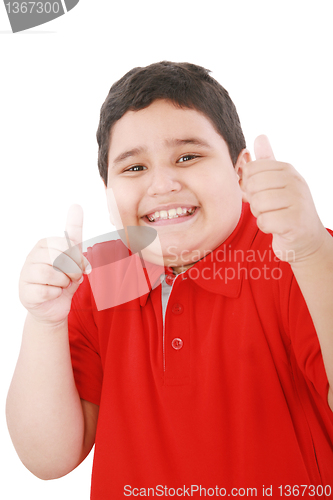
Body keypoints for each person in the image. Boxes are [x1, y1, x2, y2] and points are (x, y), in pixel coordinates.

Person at [6, 61, 333, 499]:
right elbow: (48, 459)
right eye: (134, 168)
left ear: (240, 172)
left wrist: (312, 250)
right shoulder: (101, 276)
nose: (162, 184)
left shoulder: (296, 256)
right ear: (107, 192)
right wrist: (45, 321)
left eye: (188, 157)